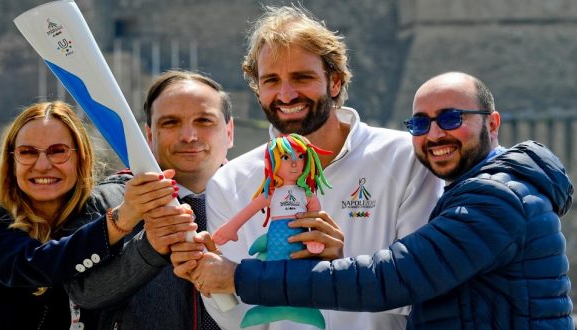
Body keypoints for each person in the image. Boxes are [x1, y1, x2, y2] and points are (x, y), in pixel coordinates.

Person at [188, 72, 575, 329]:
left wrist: (239, 276)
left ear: (492, 123)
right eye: (420, 124)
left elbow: (393, 278)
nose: (435, 134)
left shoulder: (495, 199)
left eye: (452, 118)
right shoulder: (484, 190)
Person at [172, 5, 443, 330]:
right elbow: (239, 320)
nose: (286, 94)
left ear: (334, 81)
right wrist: (209, 277)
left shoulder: (405, 159)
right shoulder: (230, 182)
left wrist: (341, 269)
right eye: (271, 80)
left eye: (302, 77)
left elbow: (426, 288)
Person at [0, 101, 177, 329]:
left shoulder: (94, 215)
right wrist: (118, 222)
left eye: (58, 151)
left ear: (81, 159)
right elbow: (36, 265)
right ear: (12, 162)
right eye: (28, 152)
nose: (42, 165)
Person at [65, 70, 234, 329]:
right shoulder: (105, 202)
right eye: (170, 123)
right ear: (150, 135)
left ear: (229, 132)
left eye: (204, 120)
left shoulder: (264, 200)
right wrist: (148, 250)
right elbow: (84, 292)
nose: (189, 136)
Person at [212, 134, 331, 328]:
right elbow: (248, 211)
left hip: (299, 242)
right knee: (268, 268)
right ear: (273, 161)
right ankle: (272, 304)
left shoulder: (308, 195)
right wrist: (230, 228)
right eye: (286, 157)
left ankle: (297, 304)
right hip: (273, 239)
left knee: (298, 273)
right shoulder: (272, 194)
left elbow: (317, 220)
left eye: (300, 157)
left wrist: (314, 239)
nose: (294, 163)